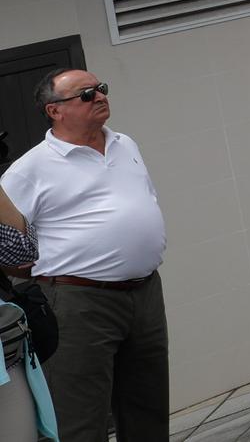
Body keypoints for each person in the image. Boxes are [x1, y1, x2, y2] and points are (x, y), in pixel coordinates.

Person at [0, 71, 167, 442]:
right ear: (54, 110)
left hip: (145, 292)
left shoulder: (126, 144)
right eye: (86, 94)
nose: (100, 96)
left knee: (148, 407)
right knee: (81, 416)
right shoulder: (30, 168)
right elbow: (10, 245)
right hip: (79, 300)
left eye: (101, 89)